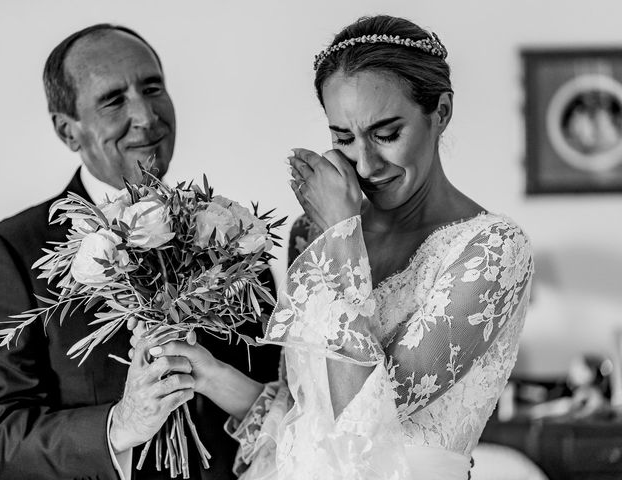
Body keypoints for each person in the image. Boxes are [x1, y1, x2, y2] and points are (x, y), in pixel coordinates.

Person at [135, 14, 534, 480]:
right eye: (343, 138)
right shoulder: (310, 232)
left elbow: (364, 422)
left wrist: (340, 234)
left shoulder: (492, 249)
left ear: (441, 112)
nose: (364, 164)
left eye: (387, 134)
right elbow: (306, 421)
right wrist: (208, 374)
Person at [0, 24, 280, 480]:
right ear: (68, 131)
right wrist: (118, 426)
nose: (145, 115)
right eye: (114, 100)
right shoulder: (11, 252)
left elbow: (279, 398)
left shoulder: (234, 236)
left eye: (152, 87)